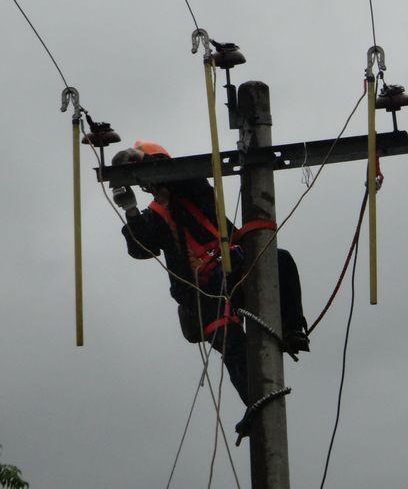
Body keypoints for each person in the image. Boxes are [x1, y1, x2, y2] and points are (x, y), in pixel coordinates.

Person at [111, 140, 309, 405]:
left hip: (234, 269)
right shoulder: (155, 215)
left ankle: (292, 328)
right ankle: (258, 402)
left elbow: (186, 179)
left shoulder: (195, 190)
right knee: (233, 344)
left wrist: (138, 159)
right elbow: (141, 248)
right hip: (203, 295)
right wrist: (131, 211)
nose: (151, 185)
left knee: (279, 261)